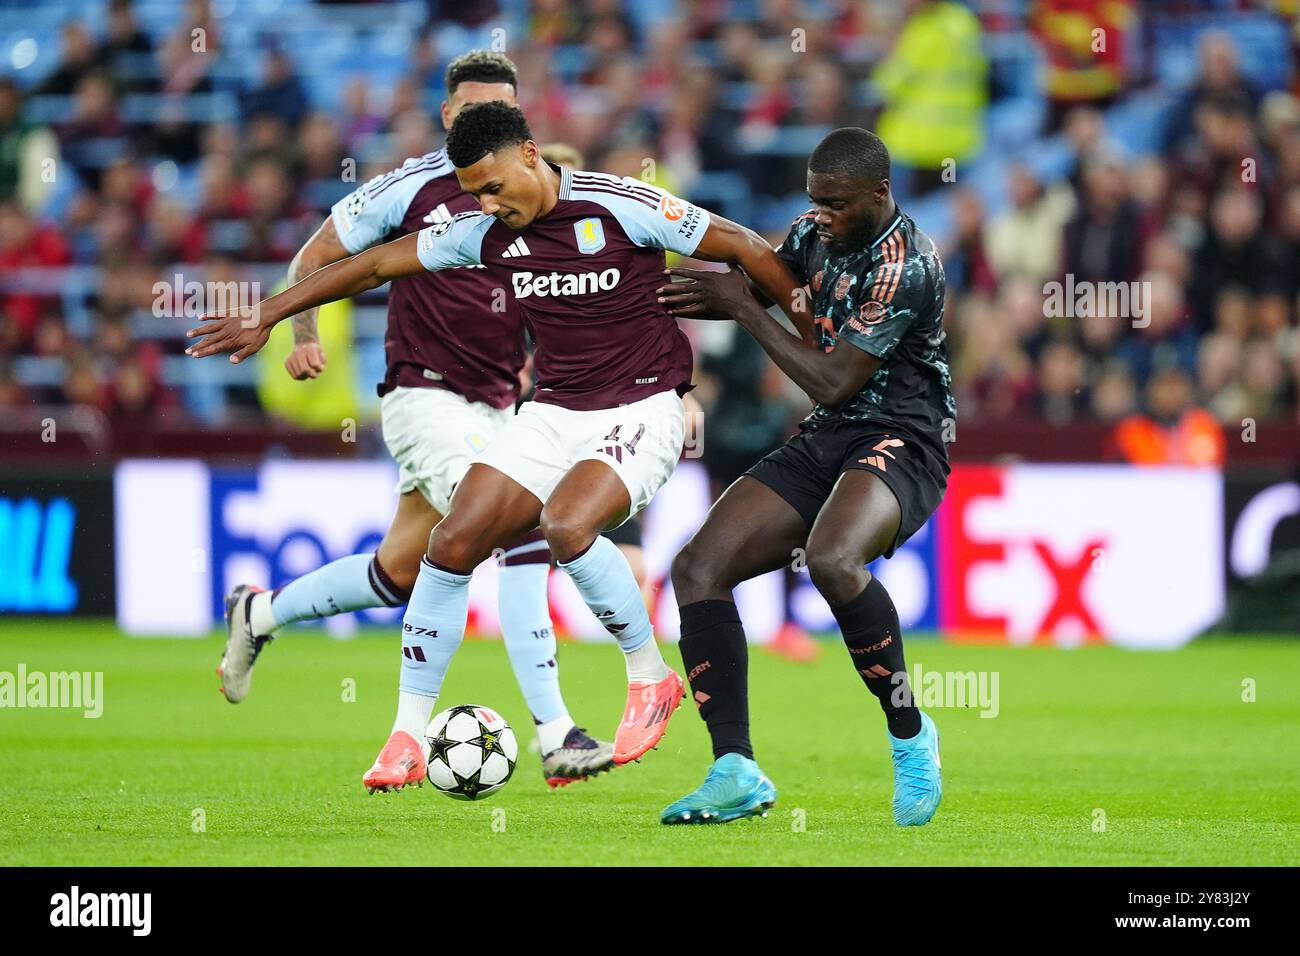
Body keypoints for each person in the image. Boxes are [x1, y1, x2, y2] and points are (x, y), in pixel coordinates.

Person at [187, 101, 807, 787]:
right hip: (552, 412)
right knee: (451, 543)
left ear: (531, 155)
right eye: (473, 191)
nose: (485, 202)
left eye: (492, 185)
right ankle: (407, 738)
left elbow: (746, 246)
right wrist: (272, 314)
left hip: (642, 403)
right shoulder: (479, 232)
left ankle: (648, 675)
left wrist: (810, 330)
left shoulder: (623, 205)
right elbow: (371, 268)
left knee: (564, 525)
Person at [216, 51, 615, 793]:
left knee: (402, 570)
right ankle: (554, 732)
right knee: (518, 523)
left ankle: (261, 611)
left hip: (496, 405)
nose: (484, 122)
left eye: (499, 110)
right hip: (421, 394)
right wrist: (302, 335)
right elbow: (321, 255)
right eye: (470, 111)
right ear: (446, 116)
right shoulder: (413, 188)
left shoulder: (521, 193)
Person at [656, 128, 949, 826]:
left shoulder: (907, 265)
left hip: (902, 436)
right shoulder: (814, 231)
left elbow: (833, 379)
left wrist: (743, 309)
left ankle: (909, 733)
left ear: (879, 194)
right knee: (697, 568)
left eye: (836, 204)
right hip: (828, 437)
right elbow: (752, 279)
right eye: (814, 201)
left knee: (831, 558)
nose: (820, 215)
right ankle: (735, 769)